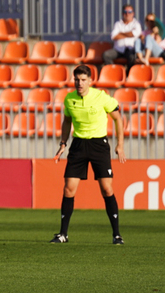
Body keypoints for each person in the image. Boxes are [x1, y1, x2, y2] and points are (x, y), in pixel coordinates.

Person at [51, 64, 126, 245]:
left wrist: (120, 145)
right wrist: (63, 143)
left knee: (107, 189)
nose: (79, 83)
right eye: (77, 79)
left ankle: (116, 235)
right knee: (68, 188)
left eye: (83, 80)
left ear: (90, 81)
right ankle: (63, 234)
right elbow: (67, 122)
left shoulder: (101, 97)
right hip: (78, 145)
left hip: (99, 144)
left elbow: (117, 119)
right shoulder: (69, 99)